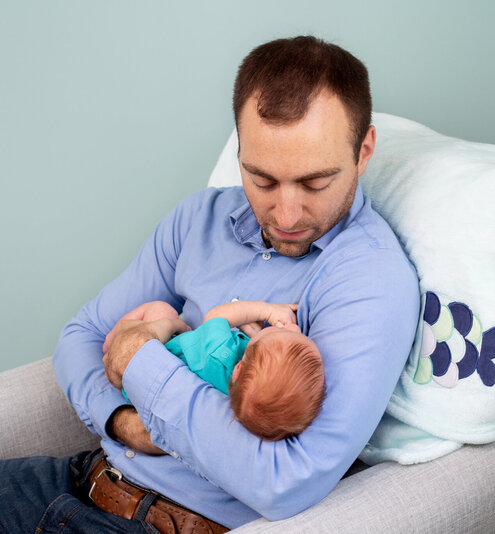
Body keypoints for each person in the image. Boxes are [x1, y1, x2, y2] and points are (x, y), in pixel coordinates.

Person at [0, 36, 419, 533]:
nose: (285, 215)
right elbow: (81, 337)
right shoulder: (198, 219)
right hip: (77, 479)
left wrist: (141, 360)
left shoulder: (369, 280)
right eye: (262, 179)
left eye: (314, 183)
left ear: (364, 150)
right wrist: (124, 423)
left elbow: (286, 481)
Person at [106, 299, 325, 441]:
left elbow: (216, 316)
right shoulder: (246, 395)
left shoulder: (219, 352)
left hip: (144, 363)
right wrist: (256, 335)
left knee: (162, 310)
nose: (295, 327)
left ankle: (111, 343)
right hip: (142, 393)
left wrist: (267, 311)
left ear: (238, 369)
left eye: (284, 332)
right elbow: (255, 348)